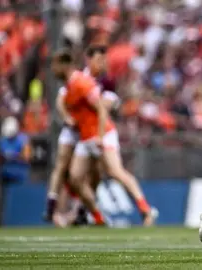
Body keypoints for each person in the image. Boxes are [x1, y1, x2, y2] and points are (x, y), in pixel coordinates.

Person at [51, 48, 158, 226]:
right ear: (88, 60)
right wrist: (68, 117)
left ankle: (145, 210)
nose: (103, 64)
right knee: (76, 178)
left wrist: (100, 134)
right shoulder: (77, 81)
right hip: (85, 137)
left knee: (115, 171)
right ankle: (94, 216)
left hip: (102, 134)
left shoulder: (102, 81)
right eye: (99, 60)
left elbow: (106, 105)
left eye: (104, 60)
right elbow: (62, 102)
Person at [0, 116, 32, 185]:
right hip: (5, 172)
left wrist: (13, 156)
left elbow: (27, 157)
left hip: (20, 171)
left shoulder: (23, 139)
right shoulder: (2, 141)